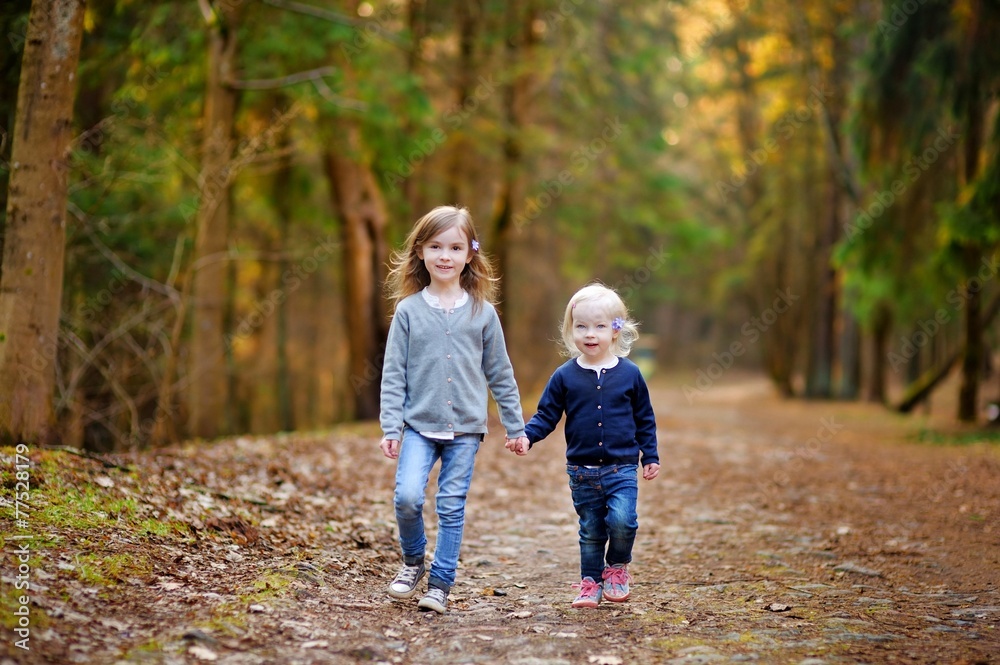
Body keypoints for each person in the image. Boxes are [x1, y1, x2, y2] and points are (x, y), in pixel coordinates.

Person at [379, 205, 529, 614]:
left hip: (465, 428)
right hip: (418, 427)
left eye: (455, 247)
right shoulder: (409, 312)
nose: (445, 255)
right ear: (421, 253)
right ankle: (413, 563)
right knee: (408, 497)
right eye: (435, 246)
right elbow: (393, 374)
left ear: (469, 254)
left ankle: (440, 584)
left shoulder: (483, 313)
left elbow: (500, 373)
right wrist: (391, 427)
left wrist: (516, 427)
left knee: (450, 504)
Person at [507, 283, 659, 608]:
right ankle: (591, 581)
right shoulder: (564, 376)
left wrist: (651, 456)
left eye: (600, 326)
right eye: (582, 326)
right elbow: (547, 414)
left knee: (623, 521)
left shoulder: (631, 375)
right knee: (590, 530)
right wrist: (527, 436)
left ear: (616, 330)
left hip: (622, 467)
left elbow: (644, 418)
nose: (590, 334)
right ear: (571, 330)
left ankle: (617, 567)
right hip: (582, 471)